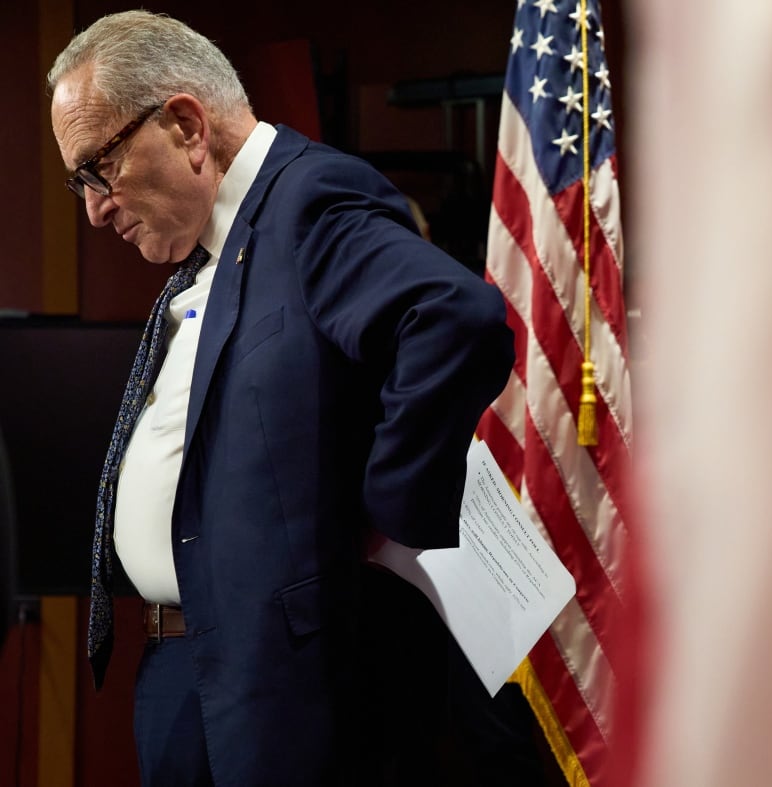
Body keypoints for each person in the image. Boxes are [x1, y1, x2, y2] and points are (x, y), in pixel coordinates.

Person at [48, 10, 514, 786]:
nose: (94, 206)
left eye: (99, 167)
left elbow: (455, 316)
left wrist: (386, 511)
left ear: (188, 125)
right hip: (186, 665)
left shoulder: (307, 201)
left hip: (275, 684)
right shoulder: (220, 239)